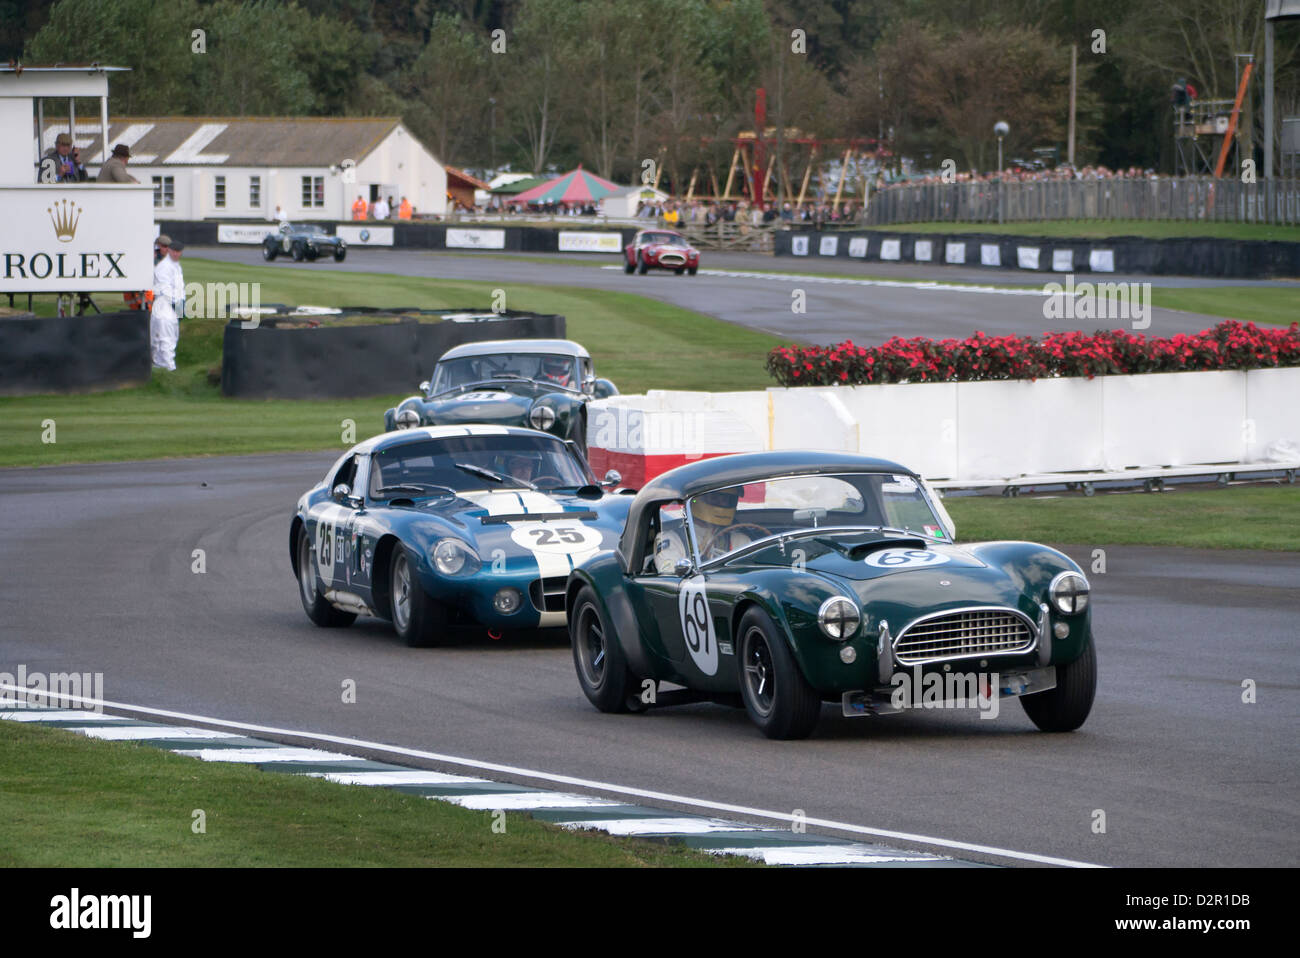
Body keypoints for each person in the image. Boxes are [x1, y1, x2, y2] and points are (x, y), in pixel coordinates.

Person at [150, 239, 185, 371]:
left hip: (172, 307)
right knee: (165, 339)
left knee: (170, 337)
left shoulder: (176, 266)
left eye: (179, 252)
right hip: (164, 306)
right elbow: (165, 291)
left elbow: (179, 288)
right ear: (169, 251)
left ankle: (160, 366)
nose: (176, 254)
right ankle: (169, 368)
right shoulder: (164, 267)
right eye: (174, 251)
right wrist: (178, 305)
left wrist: (181, 304)